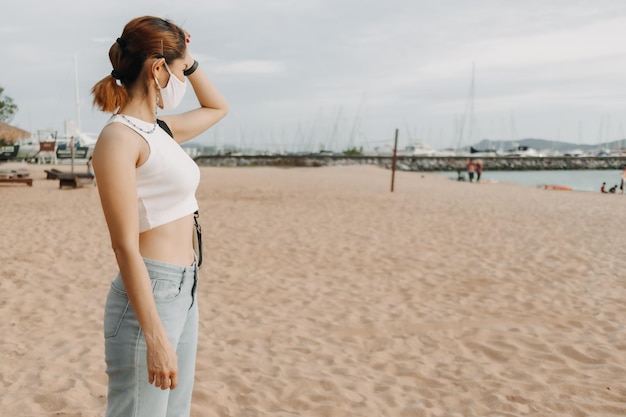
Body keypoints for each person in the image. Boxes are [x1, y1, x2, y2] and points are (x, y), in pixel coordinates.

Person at [90, 16, 228, 417]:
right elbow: (123, 245)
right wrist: (154, 335)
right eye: (180, 71)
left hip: (184, 289)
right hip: (149, 292)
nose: (183, 80)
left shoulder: (161, 130)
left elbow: (218, 107)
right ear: (157, 69)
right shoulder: (119, 138)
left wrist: (190, 60)